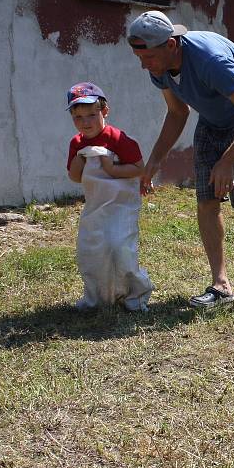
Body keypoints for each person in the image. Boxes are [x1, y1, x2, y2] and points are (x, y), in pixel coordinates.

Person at [127, 11, 234, 309]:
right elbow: (178, 113)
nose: (143, 64)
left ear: (171, 45)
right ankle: (221, 285)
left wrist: (227, 161)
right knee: (206, 199)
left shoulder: (210, 61)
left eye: (147, 57)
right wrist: (155, 161)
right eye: (140, 56)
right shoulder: (159, 67)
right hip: (214, 119)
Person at [66, 82, 154, 311]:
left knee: (120, 247)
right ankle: (99, 297)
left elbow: (138, 168)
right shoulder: (77, 143)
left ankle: (134, 293)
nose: (86, 123)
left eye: (92, 115)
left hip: (121, 206)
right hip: (95, 207)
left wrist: (112, 169)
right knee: (92, 251)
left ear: (104, 111)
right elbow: (75, 177)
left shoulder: (118, 139)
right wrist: (79, 159)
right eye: (79, 117)